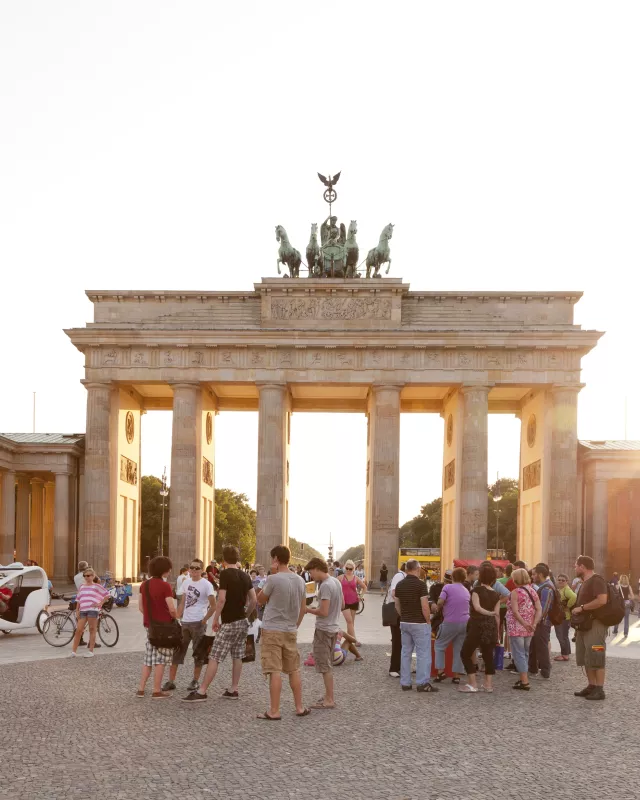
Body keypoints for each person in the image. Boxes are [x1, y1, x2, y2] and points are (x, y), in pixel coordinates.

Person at [183, 545, 256, 702]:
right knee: (237, 655)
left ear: (223, 560)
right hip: (242, 621)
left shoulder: (225, 575)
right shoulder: (245, 576)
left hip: (229, 622)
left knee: (215, 655)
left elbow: (221, 599)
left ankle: (202, 691)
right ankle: (233, 689)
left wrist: (215, 619)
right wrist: (246, 615)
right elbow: (254, 600)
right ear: (238, 558)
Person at [256, 545, 309, 720]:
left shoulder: (273, 579)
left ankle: (274, 710)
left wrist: (270, 576)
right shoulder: (300, 580)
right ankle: (299, 707)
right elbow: (303, 608)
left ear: (276, 559)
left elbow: (260, 600)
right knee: (294, 669)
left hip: (272, 628)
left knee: (274, 670)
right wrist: (295, 625)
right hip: (290, 629)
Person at [162, 560, 216, 692]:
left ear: (201, 570)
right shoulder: (186, 582)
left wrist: (205, 619)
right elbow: (183, 602)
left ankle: (195, 681)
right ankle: (171, 681)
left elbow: (213, 605)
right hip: (185, 622)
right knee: (177, 652)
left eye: (196, 568)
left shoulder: (207, 585)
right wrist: (178, 615)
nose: (193, 570)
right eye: (191, 568)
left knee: (198, 653)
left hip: (199, 623)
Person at [304, 557, 344, 709]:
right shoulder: (336, 582)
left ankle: (329, 700)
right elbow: (343, 605)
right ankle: (329, 695)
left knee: (324, 665)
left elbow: (323, 611)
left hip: (324, 629)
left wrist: (307, 609)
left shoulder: (325, 586)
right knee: (328, 664)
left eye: (311, 572)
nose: (311, 576)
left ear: (316, 568)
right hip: (333, 628)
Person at [137, 555, 178, 699]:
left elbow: (141, 607)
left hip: (150, 626)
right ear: (164, 570)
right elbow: (171, 608)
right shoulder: (165, 586)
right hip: (164, 627)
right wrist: (176, 617)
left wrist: (150, 616)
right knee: (161, 659)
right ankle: (156, 690)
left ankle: (141, 689)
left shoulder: (144, 585)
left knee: (149, 658)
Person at [394, 559, 438, 693]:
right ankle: (422, 683)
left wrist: (404, 616)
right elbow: (425, 606)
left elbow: (397, 605)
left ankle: (405, 682)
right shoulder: (421, 585)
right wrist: (428, 621)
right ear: (417, 569)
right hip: (419, 623)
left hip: (405, 622)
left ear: (407, 569)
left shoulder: (399, 585)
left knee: (405, 652)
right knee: (423, 653)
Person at [459, 562, 500, 693]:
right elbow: (497, 615)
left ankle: (472, 683)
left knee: (465, 653)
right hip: (491, 626)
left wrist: (489, 613)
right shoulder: (496, 595)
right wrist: (497, 631)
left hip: (477, 625)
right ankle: (488, 685)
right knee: (488, 655)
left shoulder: (475, 591)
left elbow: (477, 607)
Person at [571, 555, 609, 700]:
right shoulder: (584, 582)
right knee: (585, 656)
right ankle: (591, 685)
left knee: (597, 654)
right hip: (584, 626)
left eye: (576, 566)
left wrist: (582, 608)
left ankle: (600, 689)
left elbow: (602, 600)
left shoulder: (597, 580)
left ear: (582, 567)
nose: (574, 568)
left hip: (596, 626)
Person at [506, 568, 541, 690]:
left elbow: (515, 611)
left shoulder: (515, 592)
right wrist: (534, 623)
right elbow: (539, 609)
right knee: (525, 653)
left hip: (516, 627)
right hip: (530, 628)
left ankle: (525, 681)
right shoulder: (533, 591)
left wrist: (524, 623)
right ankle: (522, 678)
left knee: (519, 654)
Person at [434, 566, 470, 684]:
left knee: (439, 645)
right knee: (458, 649)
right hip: (464, 623)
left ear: (453, 577)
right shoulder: (466, 590)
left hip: (450, 622)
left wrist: (438, 608)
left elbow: (440, 601)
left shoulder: (447, 587)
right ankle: (456, 676)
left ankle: (440, 672)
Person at [70, 568, 109, 658]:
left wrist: (100, 603)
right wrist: (77, 610)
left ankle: (91, 651)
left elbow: (107, 594)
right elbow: (78, 599)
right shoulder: (82, 587)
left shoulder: (96, 586)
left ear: (93, 576)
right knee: (78, 630)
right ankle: (73, 652)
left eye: (88, 575)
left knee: (92, 629)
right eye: (85, 576)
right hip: (83, 610)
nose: (86, 577)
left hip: (92, 610)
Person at [527, 563, 555, 679]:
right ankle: (533, 669)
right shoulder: (543, 586)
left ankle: (545, 672)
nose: (532, 577)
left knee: (542, 647)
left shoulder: (546, 588)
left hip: (542, 623)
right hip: (539, 622)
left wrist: (536, 622)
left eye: (534, 574)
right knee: (533, 645)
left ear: (540, 574)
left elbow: (544, 609)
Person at [338, 559, 367, 645]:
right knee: (349, 621)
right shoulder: (340, 577)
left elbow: (364, 587)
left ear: (353, 569)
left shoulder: (356, 578)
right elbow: (333, 586)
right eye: (347, 568)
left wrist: (361, 596)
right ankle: (355, 640)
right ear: (344, 568)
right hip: (344, 602)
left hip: (354, 601)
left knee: (351, 623)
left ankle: (349, 641)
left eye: (350, 569)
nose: (348, 570)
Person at [386, 563, 406, 678]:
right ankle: (393, 668)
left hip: (399, 611)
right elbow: (394, 593)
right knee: (397, 640)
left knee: (401, 640)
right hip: (396, 611)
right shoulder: (399, 576)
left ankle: (399, 666)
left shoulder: (402, 576)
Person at [554, 573, 577, 661]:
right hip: (562, 617)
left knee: (561, 636)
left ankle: (565, 655)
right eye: (559, 580)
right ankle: (565, 654)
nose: (560, 581)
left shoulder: (566, 589)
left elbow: (574, 596)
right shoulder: (561, 589)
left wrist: (567, 606)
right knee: (563, 636)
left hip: (564, 617)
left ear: (567, 581)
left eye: (563, 580)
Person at [613, 574, 635, 638]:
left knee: (617, 617)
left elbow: (614, 595)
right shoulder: (629, 586)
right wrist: (628, 597)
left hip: (620, 604)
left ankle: (615, 630)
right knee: (626, 619)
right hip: (627, 604)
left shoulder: (618, 586)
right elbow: (633, 597)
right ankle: (626, 633)